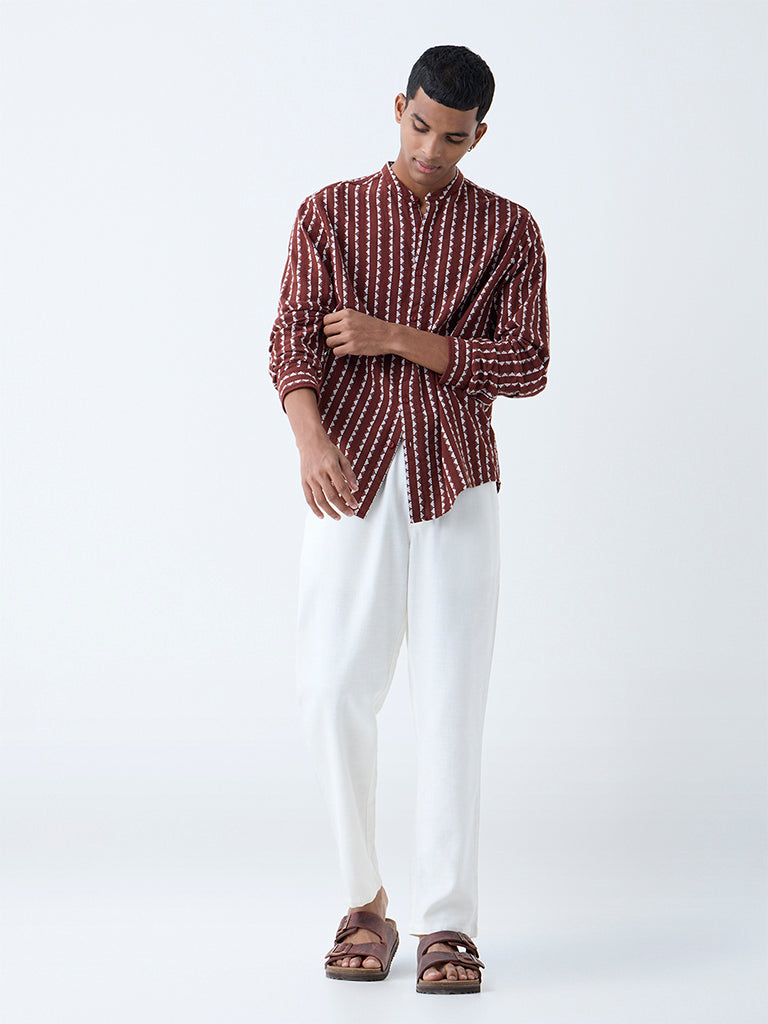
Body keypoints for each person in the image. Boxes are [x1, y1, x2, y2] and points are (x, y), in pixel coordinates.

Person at [268, 44, 549, 995]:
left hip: (457, 480)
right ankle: (365, 901)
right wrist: (309, 440)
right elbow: (292, 339)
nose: (431, 150)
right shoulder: (330, 213)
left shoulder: (510, 230)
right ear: (399, 107)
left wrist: (396, 337)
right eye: (421, 126)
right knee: (332, 688)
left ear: (480, 135)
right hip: (350, 471)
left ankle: (447, 923)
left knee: (452, 699)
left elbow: (527, 363)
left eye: (453, 137)